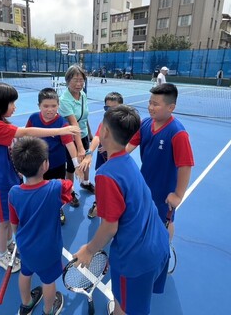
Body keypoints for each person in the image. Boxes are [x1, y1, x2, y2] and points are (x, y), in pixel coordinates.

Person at [73, 105, 170, 315]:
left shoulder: (106, 174)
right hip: (158, 244)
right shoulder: (127, 162)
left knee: (128, 311)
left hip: (135, 260)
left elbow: (109, 227)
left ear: (104, 132)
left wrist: (89, 250)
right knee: (129, 303)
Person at [0, 82, 79, 273]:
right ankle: (1, 255)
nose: (15, 106)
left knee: (8, 218)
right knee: (2, 221)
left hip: (10, 178)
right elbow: (24, 133)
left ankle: (8, 245)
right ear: (0, 103)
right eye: (12, 102)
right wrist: (59, 131)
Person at [9, 137, 70, 315]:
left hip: (25, 246)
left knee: (25, 274)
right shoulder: (55, 187)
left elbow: (14, 223)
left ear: (19, 169)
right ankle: (48, 310)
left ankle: (26, 304)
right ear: (45, 165)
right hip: (49, 249)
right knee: (49, 282)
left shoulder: (13, 192)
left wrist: (18, 239)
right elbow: (68, 186)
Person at [126, 83, 194, 242]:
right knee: (144, 214)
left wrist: (178, 195)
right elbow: (130, 145)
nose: (150, 107)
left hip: (165, 191)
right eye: (150, 102)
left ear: (171, 107)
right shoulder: (145, 123)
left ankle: (165, 248)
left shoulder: (178, 133)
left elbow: (185, 166)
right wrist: (115, 157)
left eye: (155, 104)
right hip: (145, 183)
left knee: (166, 222)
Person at [26, 88, 79, 225]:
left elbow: (70, 145)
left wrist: (77, 165)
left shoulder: (62, 123)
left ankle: (58, 209)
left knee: (56, 190)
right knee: (39, 189)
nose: (50, 109)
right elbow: (26, 137)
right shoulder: (33, 118)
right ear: (39, 106)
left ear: (58, 106)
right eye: (46, 106)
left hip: (57, 164)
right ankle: (40, 209)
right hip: (37, 165)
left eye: (54, 106)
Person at [77, 92, 124, 219]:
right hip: (103, 158)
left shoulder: (126, 122)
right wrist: (90, 152)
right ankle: (97, 203)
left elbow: (130, 143)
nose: (109, 111)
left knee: (116, 184)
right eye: (106, 108)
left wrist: (111, 147)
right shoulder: (105, 121)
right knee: (100, 181)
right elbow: (97, 136)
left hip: (118, 160)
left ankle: (114, 206)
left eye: (113, 108)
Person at [58, 65, 95, 202]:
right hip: (70, 138)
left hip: (84, 134)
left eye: (81, 80)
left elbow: (84, 117)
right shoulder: (64, 100)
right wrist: (80, 148)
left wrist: (89, 133)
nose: (79, 84)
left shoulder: (83, 95)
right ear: (68, 80)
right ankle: (70, 191)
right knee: (72, 166)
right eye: (75, 80)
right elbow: (74, 124)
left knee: (86, 161)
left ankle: (85, 183)